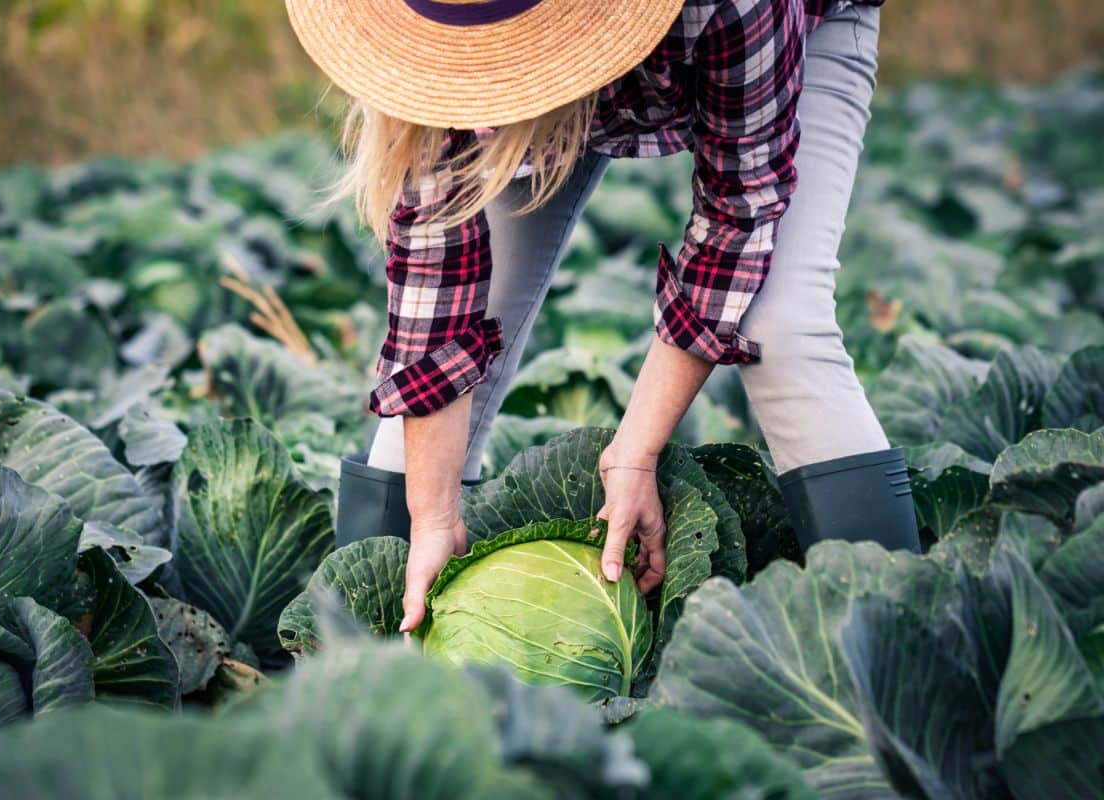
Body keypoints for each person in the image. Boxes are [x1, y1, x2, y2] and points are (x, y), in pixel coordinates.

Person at [286, 0, 920, 633]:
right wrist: (430, 516)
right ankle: (362, 659)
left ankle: (899, 660)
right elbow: (435, 277)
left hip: (795, 29)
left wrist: (637, 454)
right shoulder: (431, 38)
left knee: (781, 324)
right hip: (540, 62)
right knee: (455, 355)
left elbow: (740, 214)